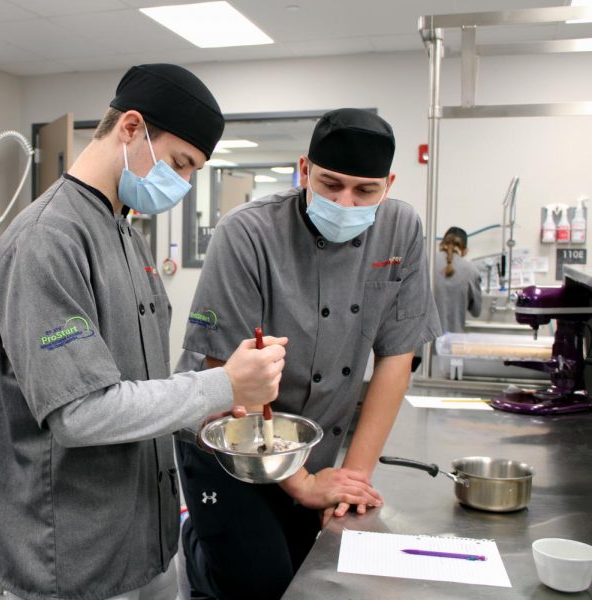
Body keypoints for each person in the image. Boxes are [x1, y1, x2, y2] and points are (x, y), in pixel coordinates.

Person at [0, 63, 288, 600]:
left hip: (145, 537)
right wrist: (222, 386)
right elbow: (79, 413)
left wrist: (209, 415)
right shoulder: (45, 240)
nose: (185, 184)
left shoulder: (125, 233)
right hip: (75, 556)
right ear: (130, 128)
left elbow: (138, 386)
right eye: (179, 163)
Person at [176, 108, 442, 599]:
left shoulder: (401, 228)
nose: (346, 202)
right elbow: (227, 378)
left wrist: (350, 482)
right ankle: (198, 550)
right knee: (257, 583)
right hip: (229, 440)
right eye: (330, 184)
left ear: (389, 183)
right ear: (303, 170)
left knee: (305, 567)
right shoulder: (247, 233)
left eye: (365, 191)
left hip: (312, 441)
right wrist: (302, 486)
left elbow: (396, 356)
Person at [434, 226, 482, 333]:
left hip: (424, 343)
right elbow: (476, 311)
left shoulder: (425, 262)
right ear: (465, 251)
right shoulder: (472, 271)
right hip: (453, 342)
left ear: (441, 245)